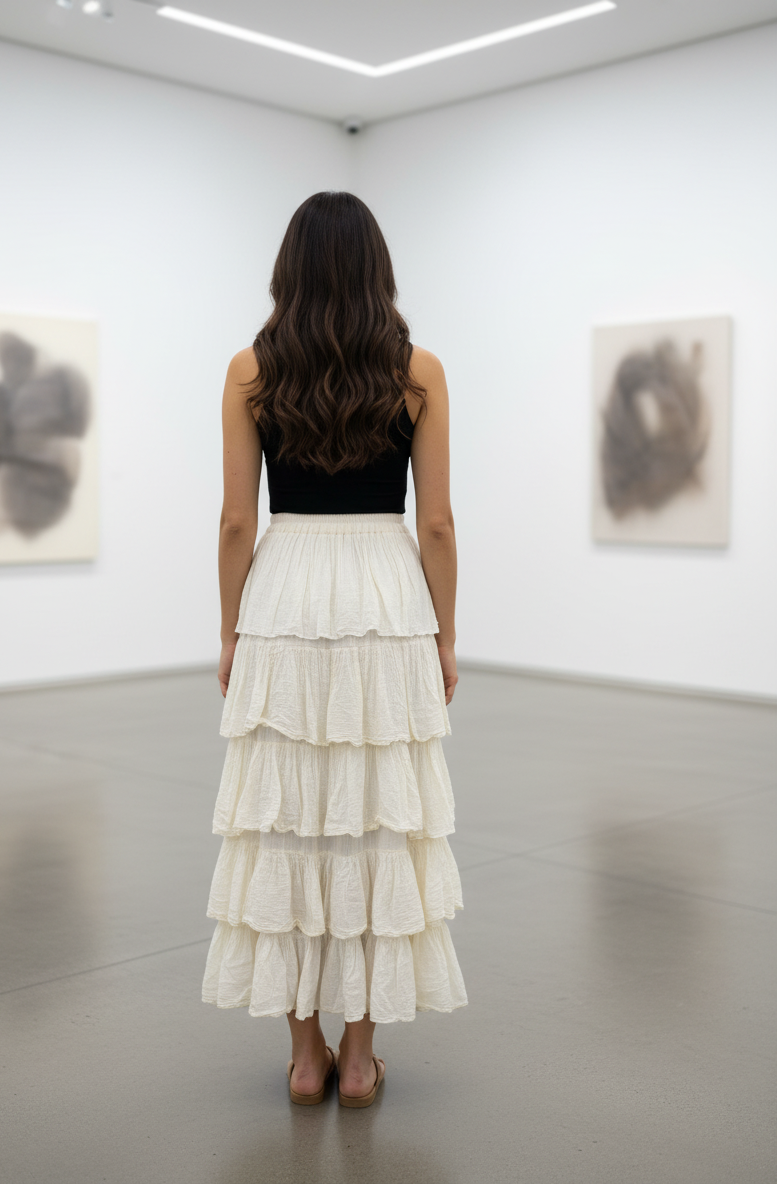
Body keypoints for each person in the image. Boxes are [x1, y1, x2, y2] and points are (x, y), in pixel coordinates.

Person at [202, 191, 467, 1108]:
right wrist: (445, 633)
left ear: (290, 268)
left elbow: (239, 519)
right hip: (385, 597)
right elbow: (434, 523)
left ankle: (303, 1059)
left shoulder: (250, 369)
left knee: (285, 817)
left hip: (286, 596)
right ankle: (361, 1061)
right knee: (375, 819)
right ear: (375, 269)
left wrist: (231, 630)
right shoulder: (417, 369)